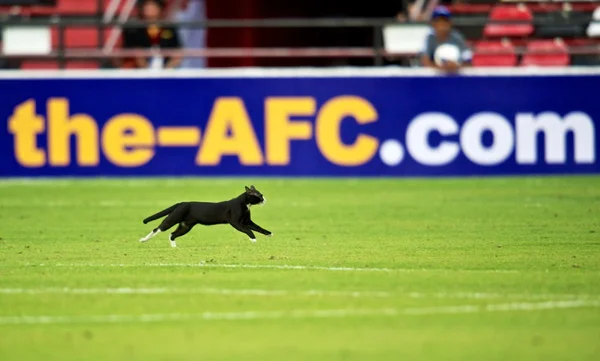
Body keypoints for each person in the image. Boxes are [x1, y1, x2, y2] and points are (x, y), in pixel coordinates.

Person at [122, 0, 182, 69]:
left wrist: (167, 70)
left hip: (165, 67)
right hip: (141, 69)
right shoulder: (135, 29)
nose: (150, 9)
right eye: (147, 6)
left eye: (153, 6)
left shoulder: (168, 27)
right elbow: (132, 49)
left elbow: (177, 49)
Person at [420, 5, 471, 72]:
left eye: (444, 21)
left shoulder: (457, 37)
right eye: (439, 21)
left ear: (450, 23)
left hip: (455, 75)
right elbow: (425, 60)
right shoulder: (430, 38)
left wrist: (457, 66)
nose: (442, 25)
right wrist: (440, 69)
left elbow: (467, 58)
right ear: (433, 24)